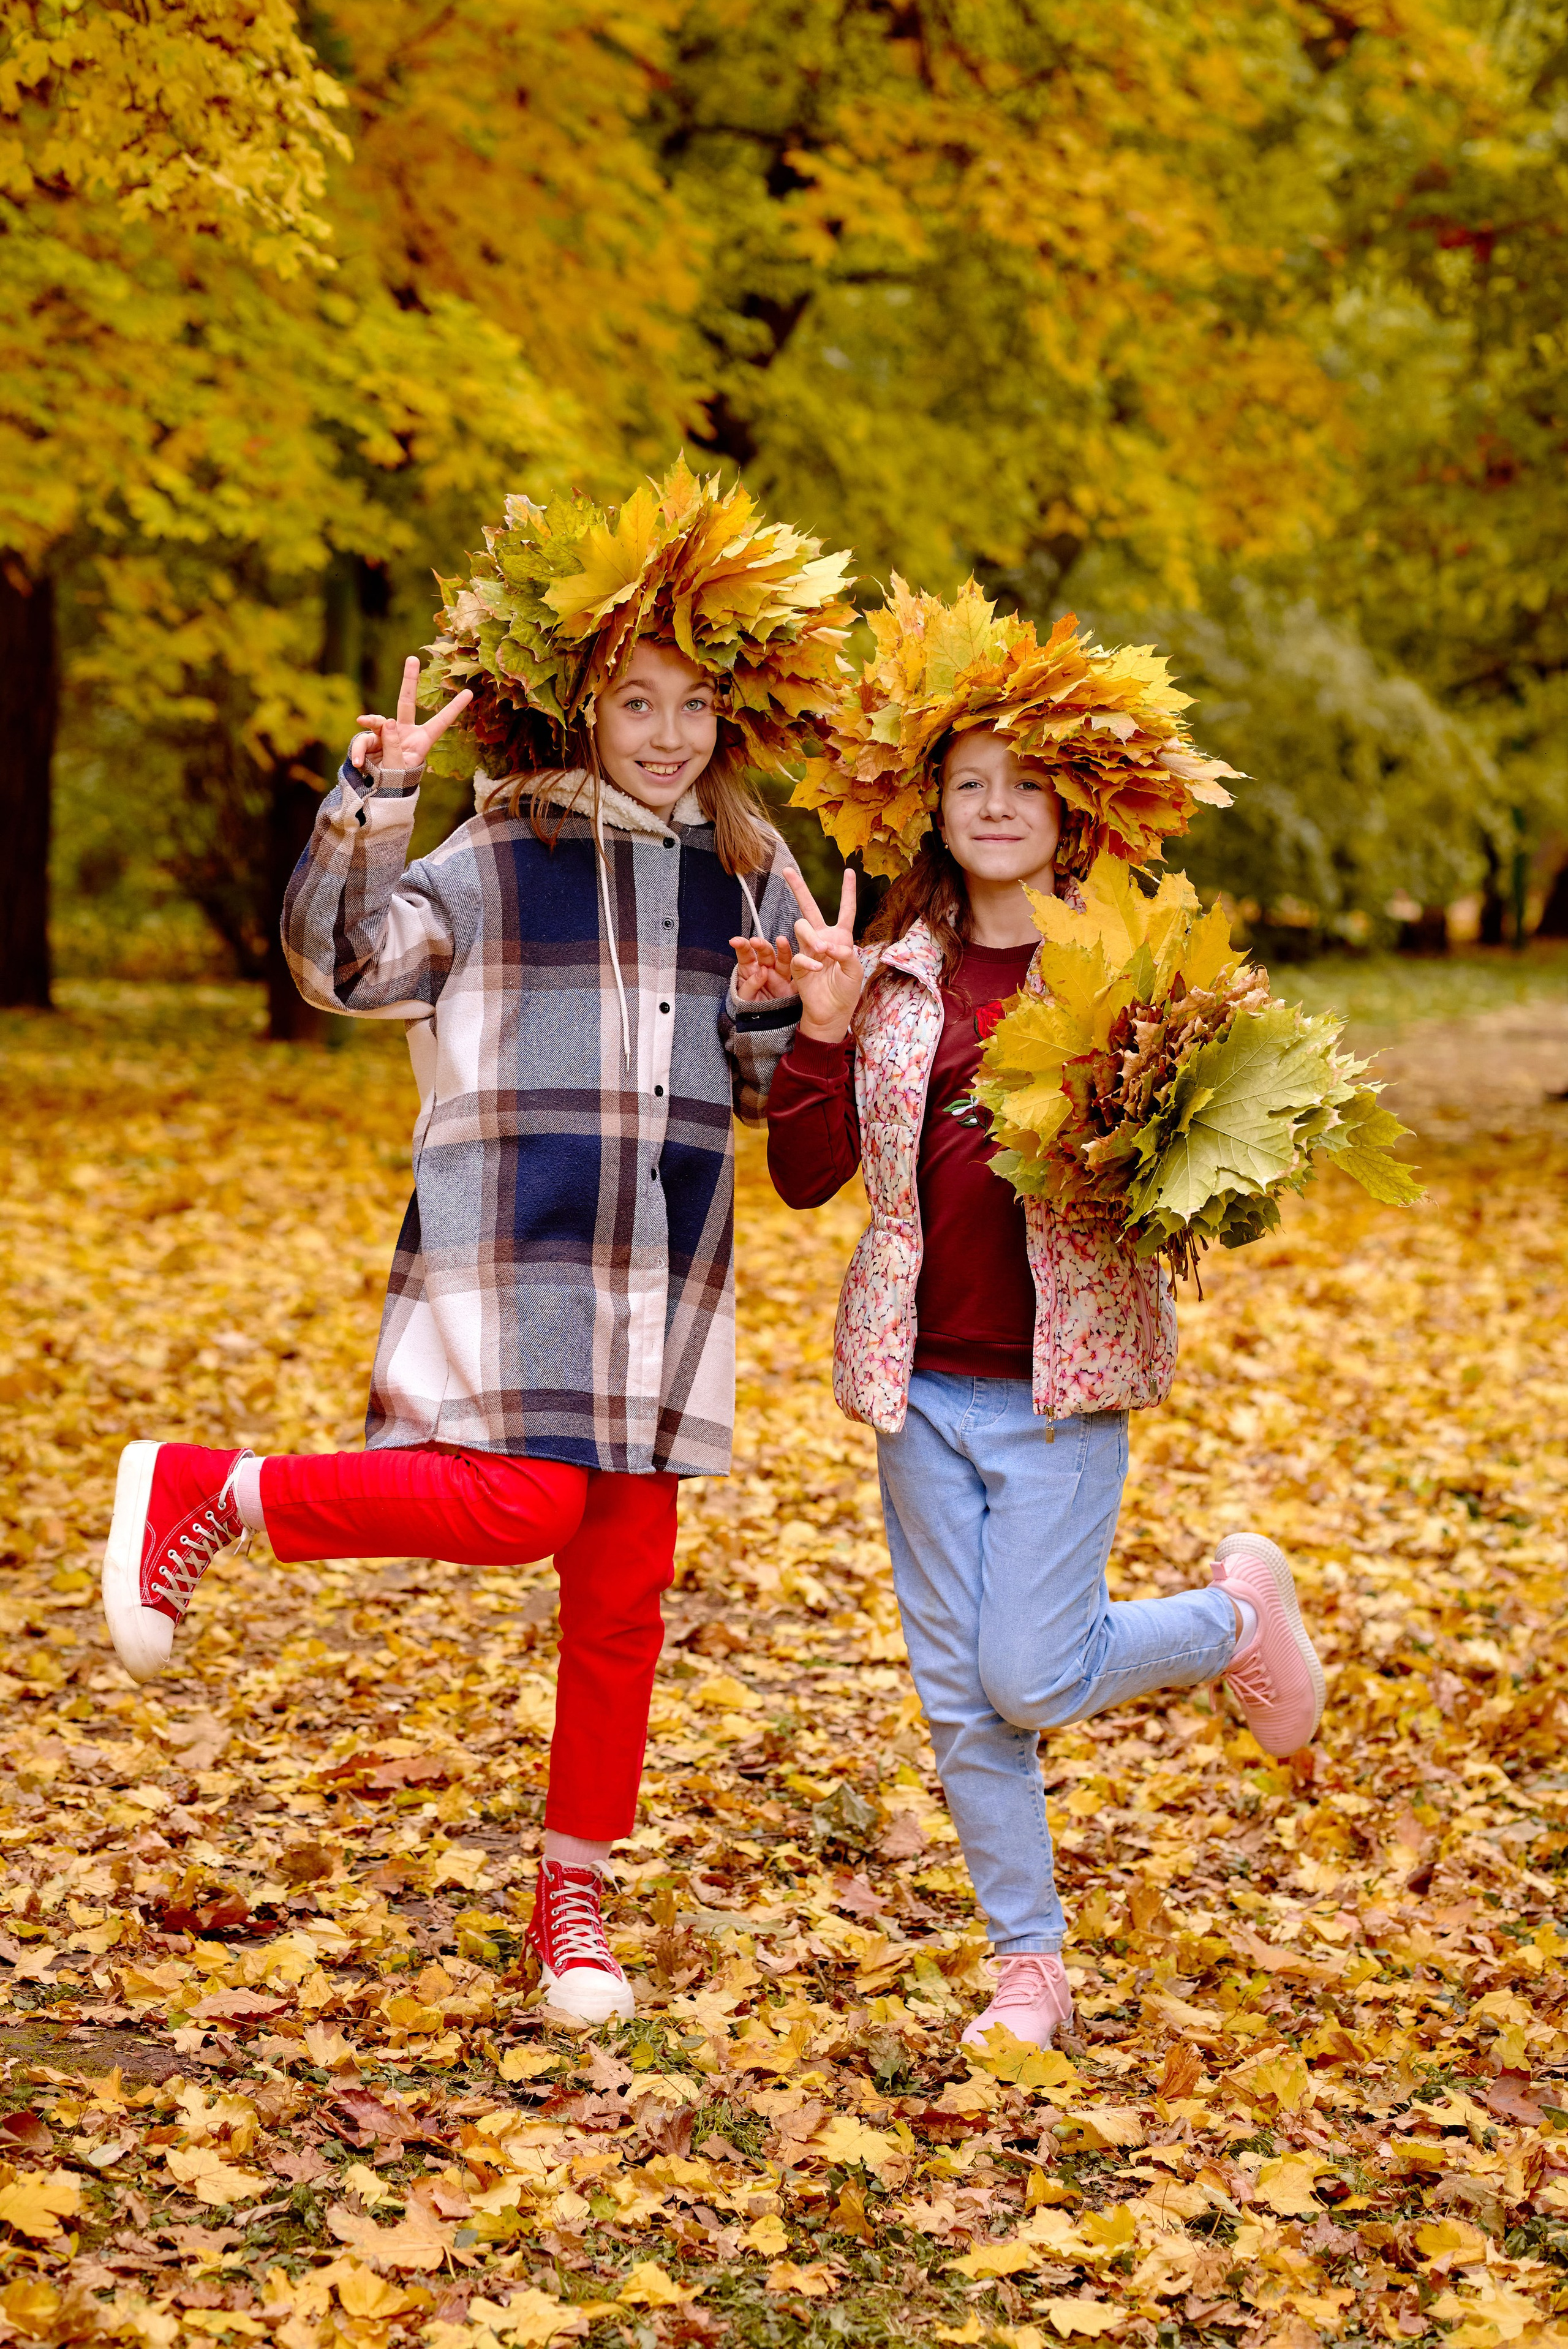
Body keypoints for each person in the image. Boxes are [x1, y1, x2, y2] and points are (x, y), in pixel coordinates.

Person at [100, 463, 850, 2024]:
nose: (667, 734)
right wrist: (373, 803)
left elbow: (771, 1098)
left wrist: (796, 1017)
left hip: (663, 1271)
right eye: (635, 702)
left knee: (625, 1585)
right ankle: (216, 1488)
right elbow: (341, 967)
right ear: (579, 707)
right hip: (514, 1248)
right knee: (517, 1506)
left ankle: (571, 1897)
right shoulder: (495, 854)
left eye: (692, 706)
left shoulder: (750, 867)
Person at [751, 647, 1325, 2053]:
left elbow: (1224, 1174)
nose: (993, 808)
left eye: (1022, 787)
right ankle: (1029, 1966)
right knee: (962, 1699)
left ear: (1072, 812)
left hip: (1061, 1386)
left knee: (1030, 1671)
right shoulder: (887, 978)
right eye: (966, 786)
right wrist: (819, 1032)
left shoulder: (1136, 972)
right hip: (914, 1384)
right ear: (931, 809)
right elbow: (804, 1177)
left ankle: (1234, 1622)